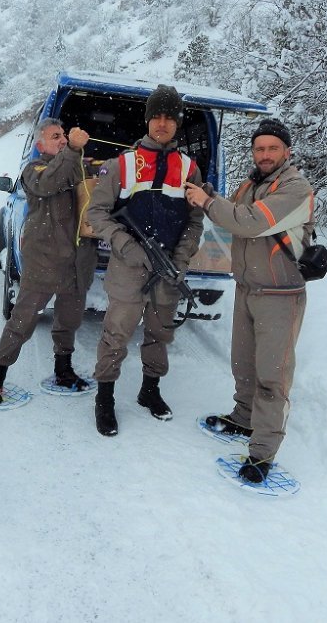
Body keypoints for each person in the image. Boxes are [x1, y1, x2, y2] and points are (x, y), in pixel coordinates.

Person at [185, 118, 314, 483]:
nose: (266, 154)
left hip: (280, 295)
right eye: (260, 148)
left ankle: (262, 453)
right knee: (244, 365)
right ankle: (243, 419)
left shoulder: (295, 188)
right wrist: (207, 191)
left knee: (272, 377)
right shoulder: (252, 183)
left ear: (287, 151)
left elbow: (249, 222)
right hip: (248, 288)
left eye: (273, 148)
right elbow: (230, 208)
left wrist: (207, 201)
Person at [86, 84, 209, 436]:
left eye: (170, 117)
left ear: (178, 123)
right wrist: (127, 246)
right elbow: (97, 213)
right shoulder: (120, 165)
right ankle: (105, 398)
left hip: (168, 268)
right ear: (147, 120)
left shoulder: (189, 169)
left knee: (160, 333)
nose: (162, 123)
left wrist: (182, 257)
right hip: (128, 268)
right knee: (116, 334)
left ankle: (149, 391)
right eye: (156, 116)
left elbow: (195, 219)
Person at [0, 118, 98, 404]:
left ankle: (63, 371)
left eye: (63, 136)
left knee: (68, 319)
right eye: (55, 136)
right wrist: (72, 149)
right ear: (40, 145)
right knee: (23, 320)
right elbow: (50, 183)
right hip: (44, 260)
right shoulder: (33, 170)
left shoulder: (75, 167)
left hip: (76, 261)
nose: (61, 140)